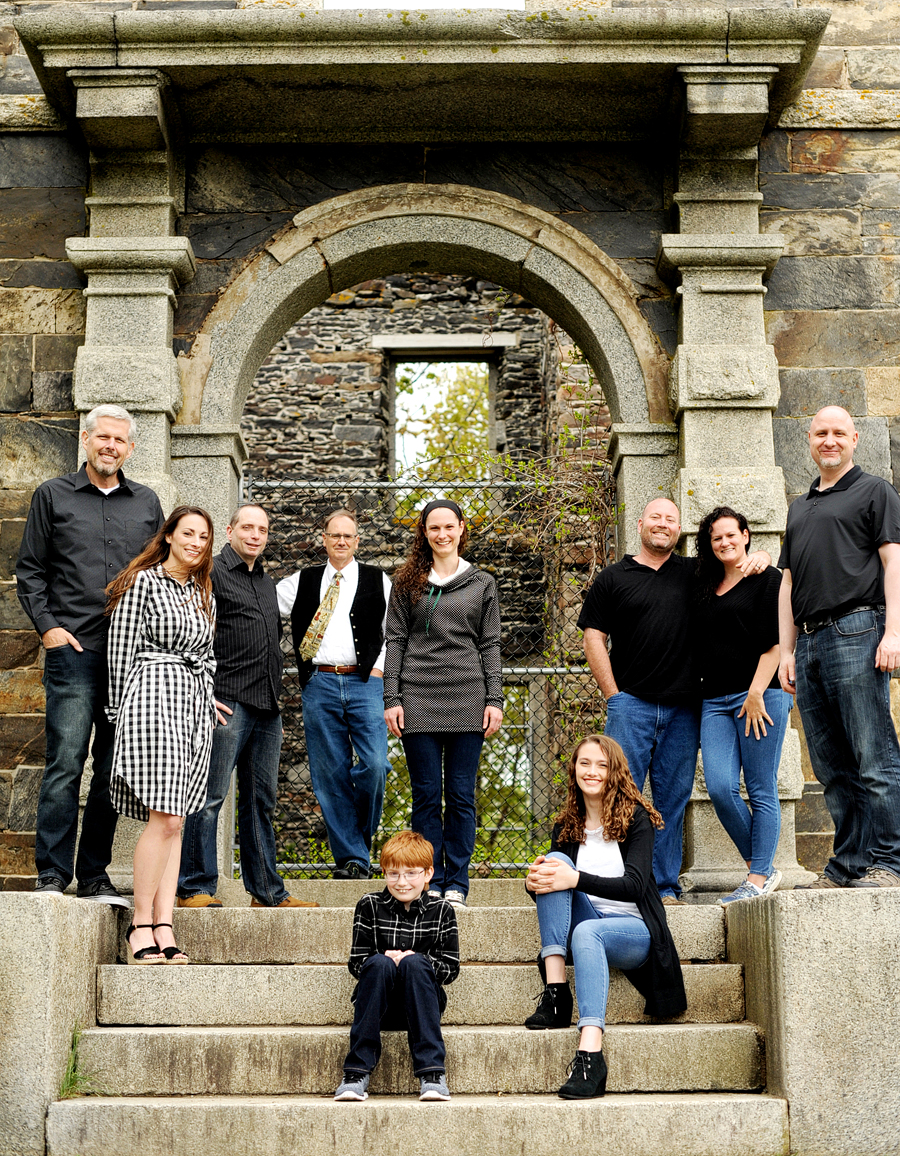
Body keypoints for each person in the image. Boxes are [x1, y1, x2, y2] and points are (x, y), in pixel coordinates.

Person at [579, 498, 768, 904]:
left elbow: (741, 564)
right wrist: (614, 696)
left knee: (672, 800)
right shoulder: (613, 578)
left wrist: (764, 554)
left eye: (671, 519)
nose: (663, 525)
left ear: (679, 528)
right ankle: (613, 885)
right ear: (641, 523)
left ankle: (662, 887)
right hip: (631, 705)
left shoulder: (694, 572)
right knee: (615, 795)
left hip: (685, 709)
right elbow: (593, 637)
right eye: (656, 518)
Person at [16, 404, 164, 904]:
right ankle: (52, 874)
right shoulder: (52, 495)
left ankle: (95, 875)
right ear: (85, 439)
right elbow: (30, 571)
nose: (111, 447)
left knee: (112, 767)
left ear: (131, 448)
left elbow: (162, 577)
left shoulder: (147, 503)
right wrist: (49, 629)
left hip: (131, 658)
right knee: (65, 761)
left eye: (120, 441)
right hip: (73, 650)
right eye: (103, 437)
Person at [524, 734, 686, 1099]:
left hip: (635, 932)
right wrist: (534, 881)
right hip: (588, 916)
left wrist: (574, 878)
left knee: (587, 931)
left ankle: (590, 1054)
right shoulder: (566, 825)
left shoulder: (635, 818)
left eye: (602, 764)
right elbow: (557, 884)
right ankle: (556, 993)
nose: (592, 771)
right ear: (574, 769)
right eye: (585, 763)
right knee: (556, 862)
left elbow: (634, 885)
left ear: (615, 771)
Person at [779, 406, 900, 890]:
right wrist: (787, 652)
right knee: (832, 768)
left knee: (875, 758)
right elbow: (788, 584)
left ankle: (890, 862)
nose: (829, 441)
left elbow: (894, 564)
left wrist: (893, 631)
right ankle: (849, 864)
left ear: (854, 438)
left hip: (858, 629)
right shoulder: (799, 506)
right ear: (809, 440)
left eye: (838, 433)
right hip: (807, 643)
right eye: (820, 433)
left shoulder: (875, 491)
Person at [177, 505, 318, 910]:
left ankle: (267, 892)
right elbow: (194, 635)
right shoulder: (210, 573)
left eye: (262, 530)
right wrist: (204, 693)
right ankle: (194, 887)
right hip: (227, 701)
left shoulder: (266, 583)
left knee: (261, 801)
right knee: (209, 797)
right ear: (230, 530)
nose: (255, 535)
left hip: (266, 705)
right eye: (248, 528)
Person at [105, 507, 217, 964]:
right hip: (151, 700)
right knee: (164, 818)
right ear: (168, 535)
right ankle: (140, 925)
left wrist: (206, 695)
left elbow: (209, 655)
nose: (195, 542)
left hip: (193, 706)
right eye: (187, 533)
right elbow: (120, 651)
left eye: (204, 536)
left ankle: (165, 924)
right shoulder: (144, 583)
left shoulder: (202, 593)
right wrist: (118, 714)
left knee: (179, 820)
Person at [383, 500, 503, 908]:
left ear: (461, 528)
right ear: (425, 533)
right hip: (417, 697)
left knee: (462, 795)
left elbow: (489, 643)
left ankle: (458, 883)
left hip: (468, 697)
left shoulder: (482, 582)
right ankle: (428, 881)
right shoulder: (407, 581)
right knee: (428, 795)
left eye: (448, 527)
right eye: (434, 528)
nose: (442, 534)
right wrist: (392, 698)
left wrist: (495, 698)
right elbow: (396, 640)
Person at [277, 509, 392, 880]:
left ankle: (358, 841)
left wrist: (378, 669)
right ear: (323, 539)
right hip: (320, 683)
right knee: (330, 774)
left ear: (357, 541)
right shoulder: (301, 581)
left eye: (348, 536)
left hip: (366, 682)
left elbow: (395, 631)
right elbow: (261, 605)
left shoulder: (378, 579)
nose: (341, 541)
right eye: (334, 535)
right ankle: (352, 858)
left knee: (375, 765)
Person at [695, 506, 790, 903]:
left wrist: (754, 693)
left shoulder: (767, 578)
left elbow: (775, 644)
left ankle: (756, 879)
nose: (724, 543)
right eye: (717, 538)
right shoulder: (703, 581)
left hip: (761, 695)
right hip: (715, 701)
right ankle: (762, 867)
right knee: (719, 786)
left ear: (746, 535)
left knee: (760, 786)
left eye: (731, 535)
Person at [334, 829, 460, 1103]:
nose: (402, 882)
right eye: (394, 873)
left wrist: (418, 960)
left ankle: (432, 1073)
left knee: (415, 963)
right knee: (378, 963)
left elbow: (451, 968)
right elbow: (357, 963)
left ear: (428, 874)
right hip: (378, 1007)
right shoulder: (369, 905)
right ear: (384, 874)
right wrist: (386, 960)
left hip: (423, 1007)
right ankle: (356, 1073)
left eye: (411, 873)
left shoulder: (442, 911)